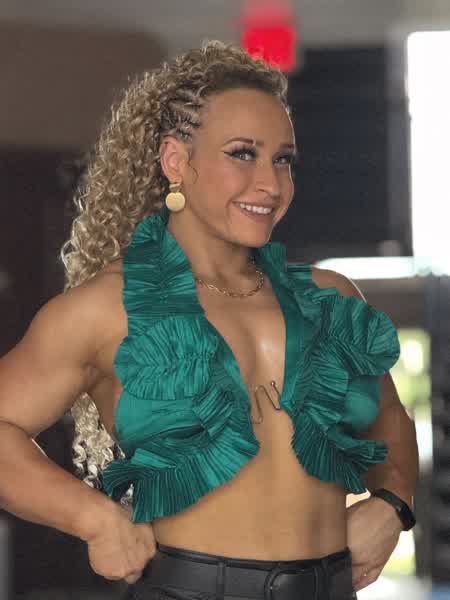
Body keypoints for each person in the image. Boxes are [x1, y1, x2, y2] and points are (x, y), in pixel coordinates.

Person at [0, 40, 418, 600]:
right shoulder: (106, 308)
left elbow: (389, 419)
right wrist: (91, 517)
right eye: (243, 153)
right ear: (177, 161)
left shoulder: (330, 297)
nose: (271, 184)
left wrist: (393, 503)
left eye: (283, 159)